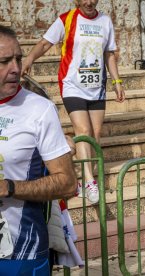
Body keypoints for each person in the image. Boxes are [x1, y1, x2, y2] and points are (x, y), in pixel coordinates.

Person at [22, 0, 125, 204]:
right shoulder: (66, 20)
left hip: (96, 87)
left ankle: (85, 176)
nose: (89, 2)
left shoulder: (105, 21)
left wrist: (117, 81)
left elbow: (109, 54)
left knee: (94, 136)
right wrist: (28, 59)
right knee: (84, 131)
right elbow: (45, 43)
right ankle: (89, 181)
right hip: (72, 84)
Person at [0, 25, 77, 275]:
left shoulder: (38, 109)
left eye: (19, 59)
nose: (16, 68)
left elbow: (67, 184)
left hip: (21, 254)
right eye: (5, 61)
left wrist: (10, 188)